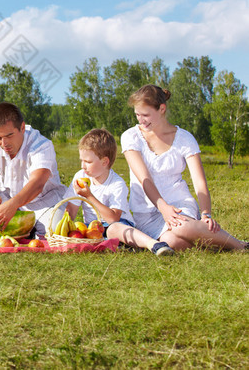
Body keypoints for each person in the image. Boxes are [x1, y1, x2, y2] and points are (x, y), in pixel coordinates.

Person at [121, 85, 247, 251]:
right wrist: (163, 207)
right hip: (146, 212)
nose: (140, 120)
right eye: (137, 114)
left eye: (145, 115)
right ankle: (208, 239)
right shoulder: (130, 136)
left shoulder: (185, 138)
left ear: (162, 109)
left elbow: (199, 182)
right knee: (172, 242)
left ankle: (240, 246)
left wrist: (206, 214)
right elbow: (144, 178)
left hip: (179, 204)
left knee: (181, 227)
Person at [64, 129, 174, 256]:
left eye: (88, 162)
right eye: (81, 160)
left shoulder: (117, 184)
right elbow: (71, 210)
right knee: (79, 230)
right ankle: (117, 246)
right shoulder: (80, 176)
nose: (83, 166)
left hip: (118, 224)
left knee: (113, 229)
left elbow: (113, 218)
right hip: (92, 228)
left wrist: (89, 196)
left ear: (105, 162)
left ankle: (154, 245)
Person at [0, 102, 67, 237]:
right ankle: (25, 231)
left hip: (44, 201)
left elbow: (37, 184)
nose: (4, 143)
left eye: (9, 136)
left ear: (22, 127)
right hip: (8, 200)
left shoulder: (42, 145)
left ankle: (29, 231)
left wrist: (12, 206)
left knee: (54, 228)